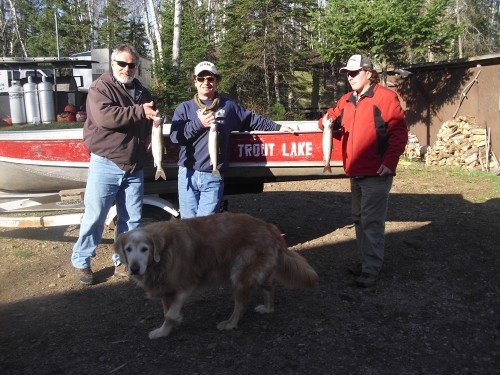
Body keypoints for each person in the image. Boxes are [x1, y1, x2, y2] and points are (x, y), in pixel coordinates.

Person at [71, 44, 159, 285]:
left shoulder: (143, 91)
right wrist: (140, 111)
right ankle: (82, 261)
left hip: (134, 166)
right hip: (106, 163)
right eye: (122, 63)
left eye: (132, 65)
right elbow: (105, 118)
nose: (127, 69)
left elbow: (147, 121)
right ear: (113, 64)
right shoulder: (101, 87)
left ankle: (121, 261)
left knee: (131, 220)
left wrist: (150, 136)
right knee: (95, 216)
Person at [319, 54, 408, 288]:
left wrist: (389, 163)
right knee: (359, 219)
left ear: (369, 73)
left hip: (376, 173)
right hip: (355, 171)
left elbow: (399, 133)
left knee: (372, 222)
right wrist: (325, 121)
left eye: (354, 72)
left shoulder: (386, 98)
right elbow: (330, 118)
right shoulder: (347, 100)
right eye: (347, 73)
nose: (350, 77)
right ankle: (365, 262)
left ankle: (371, 268)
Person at [170, 61, 294, 219]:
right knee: (187, 225)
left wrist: (277, 127)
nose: (206, 83)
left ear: (217, 81)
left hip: (213, 175)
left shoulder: (228, 106)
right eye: (201, 79)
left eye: (210, 78)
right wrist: (199, 124)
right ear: (195, 81)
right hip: (187, 173)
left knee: (205, 224)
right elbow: (176, 137)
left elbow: (251, 120)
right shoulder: (184, 108)